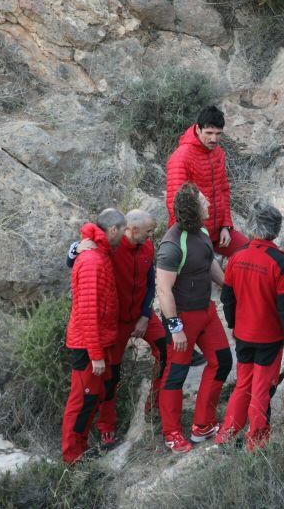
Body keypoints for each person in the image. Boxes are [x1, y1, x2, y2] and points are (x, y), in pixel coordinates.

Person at [67, 210, 167, 448]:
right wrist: (74, 248)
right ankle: (106, 426)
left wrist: (145, 314)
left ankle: (154, 406)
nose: (152, 235)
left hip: (141, 316)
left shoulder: (148, 247)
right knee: (110, 376)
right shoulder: (112, 245)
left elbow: (150, 281)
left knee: (167, 350)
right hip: (115, 323)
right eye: (149, 231)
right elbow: (79, 255)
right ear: (131, 230)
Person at [215, 201, 284, 452]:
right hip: (268, 338)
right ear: (276, 229)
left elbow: (227, 299)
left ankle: (227, 434)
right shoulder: (280, 264)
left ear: (251, 227)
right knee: (261, 388)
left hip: (243, 334)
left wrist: (233, 325)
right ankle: (257, 441)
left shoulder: (236, 258)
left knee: (243, 384)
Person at [156, 182, 233, 453]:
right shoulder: (172, 245)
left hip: (206, 312)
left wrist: (228, 285)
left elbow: (208, 262)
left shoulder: (200, 231)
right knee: (176, 374)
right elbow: (163, 289)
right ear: (193, 208)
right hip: (182, 319)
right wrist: (175, 327)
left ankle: (203, 425)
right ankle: (172, 433)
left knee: (222, 361)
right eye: (204, 201)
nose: (209, 204)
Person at [61, 209, 124, 464]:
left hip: (95, 342)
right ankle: (72, 459)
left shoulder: (99, 253)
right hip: (88, 346)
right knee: (82, 401)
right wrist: (96, 355)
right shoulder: (93, 261)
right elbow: (88, 312)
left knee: (91, 398)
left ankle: (81, 450)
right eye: (122, 231)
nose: (124, 236)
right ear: (112, 231)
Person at [165, 105, 249, 257]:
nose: (214, 139)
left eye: (218, 133)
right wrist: (197, 237)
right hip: (192, 234)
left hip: (218, 231)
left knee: (249, 252)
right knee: (204, 273)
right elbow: (175, 205)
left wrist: (226, 226)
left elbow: (224, 191)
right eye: (209, 133)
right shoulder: (181, 157)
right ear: (198, 129)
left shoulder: (218, 153)